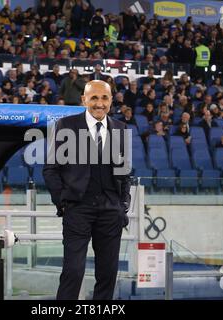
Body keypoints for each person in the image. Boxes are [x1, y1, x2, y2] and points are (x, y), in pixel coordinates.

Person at [43, 80, 131, 300]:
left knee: (108, 273)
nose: (99, 103)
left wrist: (123, 205)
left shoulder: (121, 128)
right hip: (78, 209)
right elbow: (50, 170)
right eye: (94, 98)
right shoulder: (66, 125)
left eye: (104, 98)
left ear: (111, 101)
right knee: (73, 271)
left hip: (111, 211)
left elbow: (125, 172)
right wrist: (62, 201)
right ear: (84, 100)